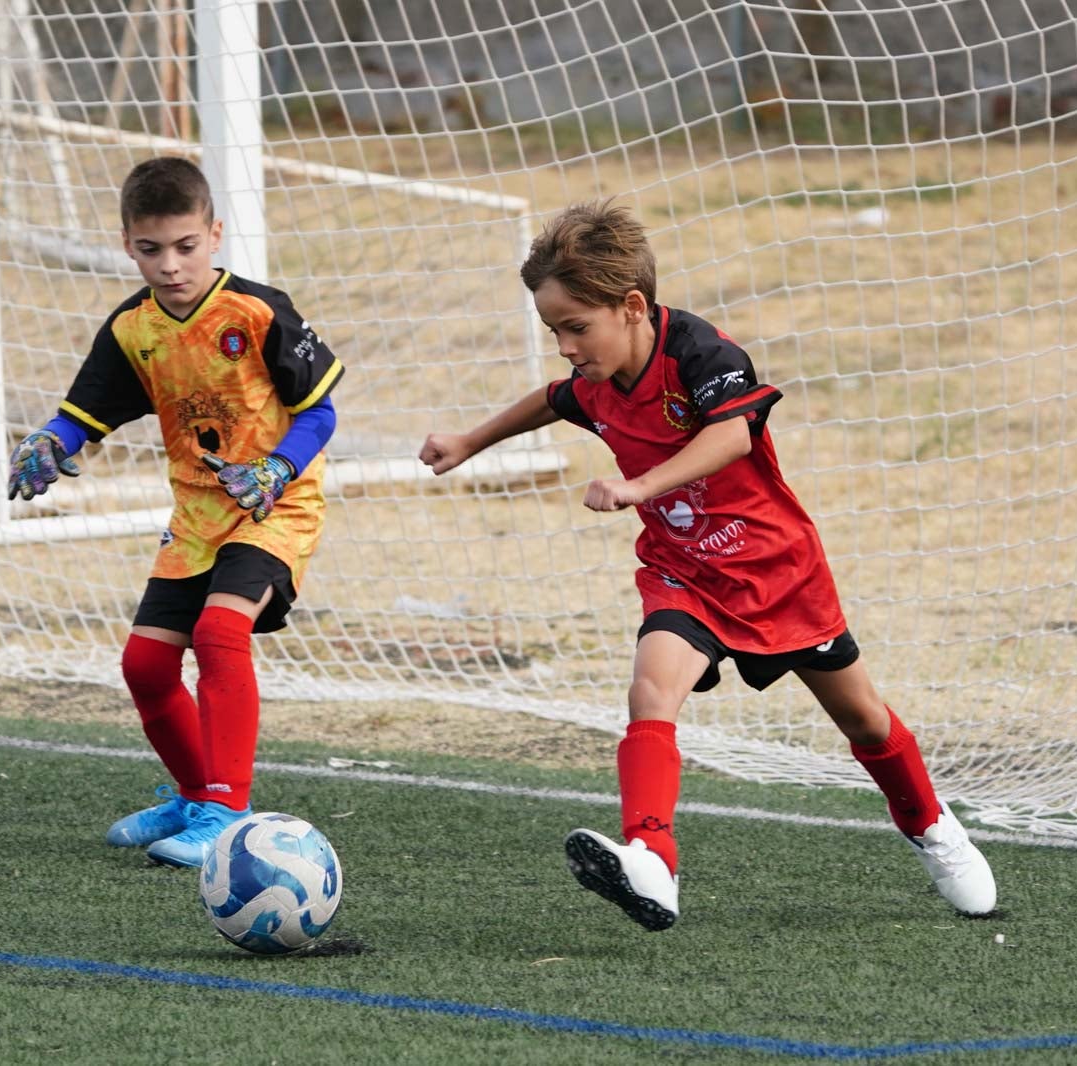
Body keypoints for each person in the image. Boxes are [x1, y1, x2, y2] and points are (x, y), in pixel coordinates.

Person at [418, 200, 995, 930]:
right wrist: (470, 440)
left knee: (865, 722)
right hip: (681, 571)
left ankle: (931, 827)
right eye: (553, 330)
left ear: (632, 306)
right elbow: (554, 401)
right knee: (651, 691)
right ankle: (651, 860)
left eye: (575, 327)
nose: (564, 346)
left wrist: (639, 486)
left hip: (775, 571)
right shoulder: (597, 378)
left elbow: (733, 437)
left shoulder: (698, 352)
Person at [7, 156, 343, 868]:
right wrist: (49, 442)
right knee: (146, 665)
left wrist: (276, 470)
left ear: (213, 235)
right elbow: (83, 414)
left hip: (274, 507)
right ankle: (193, 796)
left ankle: (226, 812)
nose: (169, 265)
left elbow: (320, 413)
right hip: (195, 518)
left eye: (186, 246)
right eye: (151, 249)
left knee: (219, 632)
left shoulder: (256, 312)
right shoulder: (133, 329)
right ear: (127, 244)